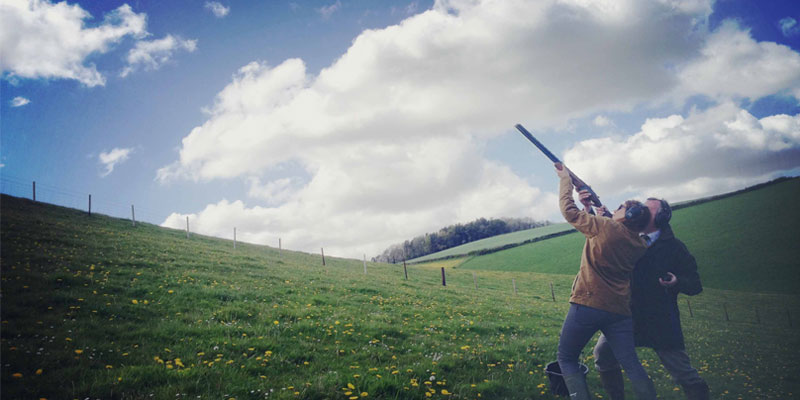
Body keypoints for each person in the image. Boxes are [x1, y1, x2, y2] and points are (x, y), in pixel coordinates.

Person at [587, 196, 710, 400]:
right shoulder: (627, 236)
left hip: (659, 319)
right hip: (626, 315)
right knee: (602, 356)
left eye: (648, 209)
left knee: (684, 374)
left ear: (661, 218)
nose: (641, 211)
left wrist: (677, 282)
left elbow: (695, 284)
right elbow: (603, 231)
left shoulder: (675, 248)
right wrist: (591, 208)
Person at [554, 164, 657, 400]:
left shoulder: (607, 227)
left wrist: (564, 180)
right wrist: (589, 207)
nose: (615, 208)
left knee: (567, 358)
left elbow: (569, 212)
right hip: (619, 310)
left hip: (588, 303)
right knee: (631, 363)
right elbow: (603, 234)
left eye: (621, 207)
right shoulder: (640, 244)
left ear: (628, 216)